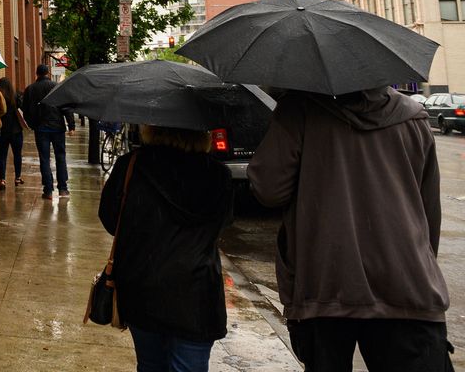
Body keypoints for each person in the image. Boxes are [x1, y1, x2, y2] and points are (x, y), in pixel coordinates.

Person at [248, 87, 453, 371]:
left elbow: (268, 190)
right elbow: (428, 209)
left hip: (325, 282)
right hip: (407, 283)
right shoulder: (413, 117)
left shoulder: (299, 111)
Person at [99, 125, 233, 371]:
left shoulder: (132, 166)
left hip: (143, 287)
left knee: (150, 365)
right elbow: (223, 223)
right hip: (196, 296)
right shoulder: (218, 175)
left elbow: (110, 218)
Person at [23, 64, 74, 198]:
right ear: (48, 73)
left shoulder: (30, 89)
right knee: (60, 157)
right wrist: (71, 125)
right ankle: (63, 188)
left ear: (36, 74)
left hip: (41, 129)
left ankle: (48, 190)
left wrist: (32, 124)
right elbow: (66, 107)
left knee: (44, 158)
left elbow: (25, 110)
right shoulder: (56, 87)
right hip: (57, 128)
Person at [0, 77, 27, 189]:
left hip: (3, 130)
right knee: (17, 155)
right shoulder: (16, 96)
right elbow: (23, 108)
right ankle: (17, 177)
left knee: (2, 155)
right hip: (16, 131)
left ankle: (2, 180)